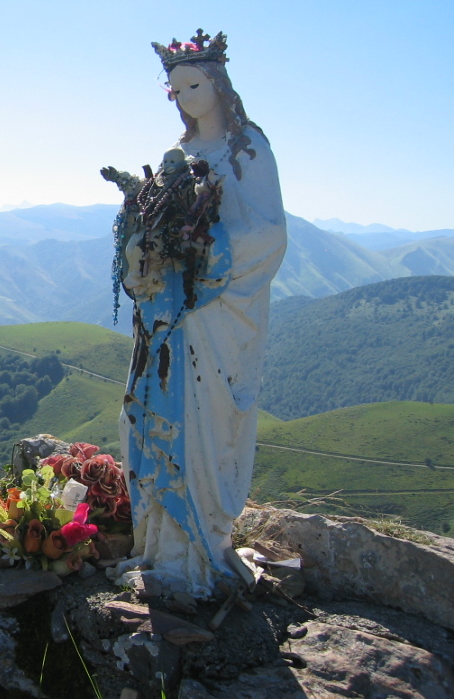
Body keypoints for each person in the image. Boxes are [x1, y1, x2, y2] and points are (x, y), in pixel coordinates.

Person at [102, 31, 287, 596]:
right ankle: (159, 548)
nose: (185, 97)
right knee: (153, 417)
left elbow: (271, 233)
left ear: (219, 84)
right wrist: (145, 249)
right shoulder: (176, 158)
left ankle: (201, 555)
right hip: (165, 314)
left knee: (205, 425)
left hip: (217, 314)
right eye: (176, 88)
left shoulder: (246, 147)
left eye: (194, 85)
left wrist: (204, 248)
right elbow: (145, 228)